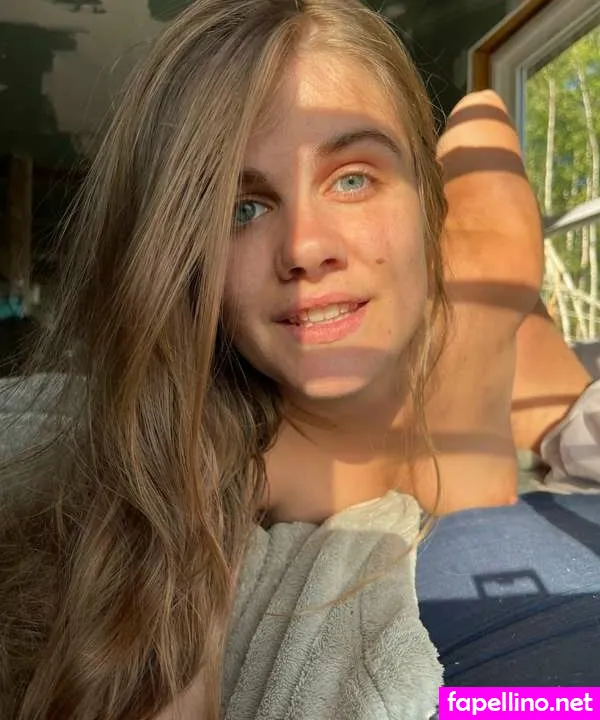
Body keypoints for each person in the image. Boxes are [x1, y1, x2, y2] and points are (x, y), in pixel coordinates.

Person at [1, 1, 599, 718]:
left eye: (353, 178)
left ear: (427, 203)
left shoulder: (490, 262)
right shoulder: (233, 456)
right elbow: (152, 647)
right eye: (242, 209)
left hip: (511, 341)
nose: (304, 248)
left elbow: (480, 111)